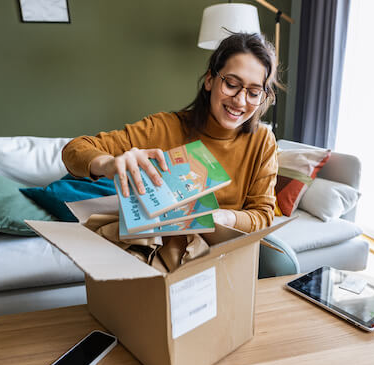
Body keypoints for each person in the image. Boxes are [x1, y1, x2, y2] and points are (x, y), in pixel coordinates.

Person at [62, 32, 279, 233]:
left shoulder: (262, 141)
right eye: (231, 84)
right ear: (210, 80)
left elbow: (262, 214)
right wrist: (107, 164)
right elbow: (74, 149)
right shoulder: (162, 128)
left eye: (253, 92)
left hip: (227, 247)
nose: (240, 101)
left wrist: (225, 217)